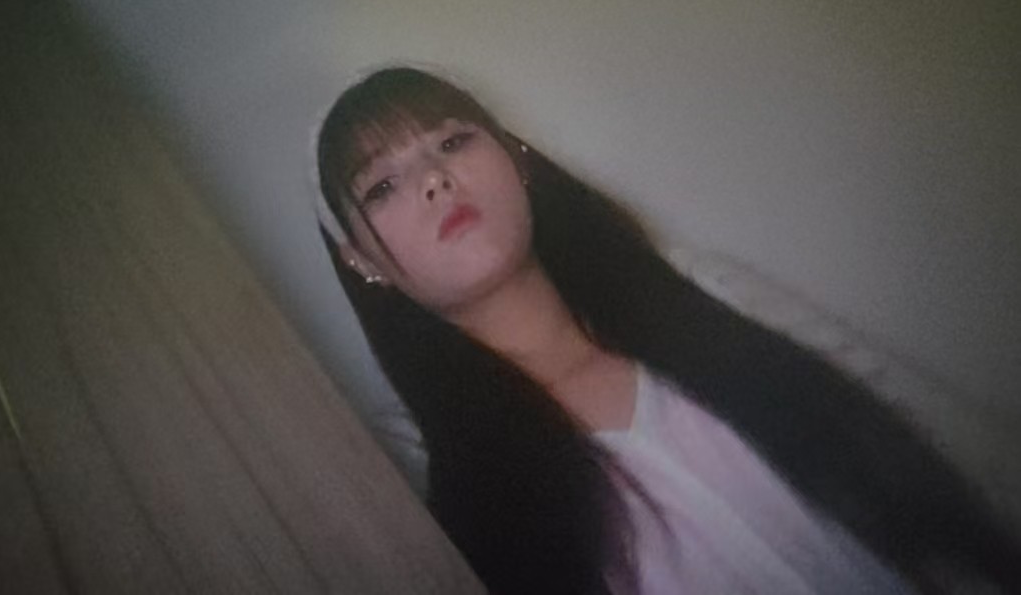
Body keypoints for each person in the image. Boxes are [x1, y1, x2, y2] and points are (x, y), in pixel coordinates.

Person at [313, 66, 1019, 594]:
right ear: (360, 260)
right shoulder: (413, 470)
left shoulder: (704, 290)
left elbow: (930, 446)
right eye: (382, 185)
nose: (435, 179)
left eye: (452, 140)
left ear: (516, 161)